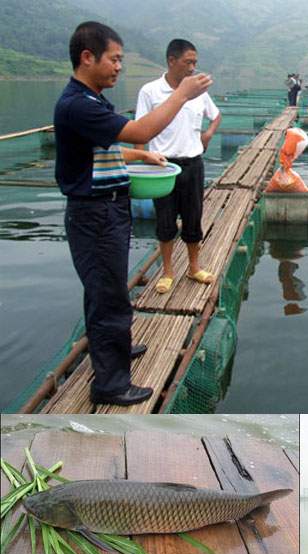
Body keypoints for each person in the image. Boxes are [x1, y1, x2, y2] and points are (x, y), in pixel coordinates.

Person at [54, 22, 213, 406]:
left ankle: (114, 350)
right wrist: (182, 94)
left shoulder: (91, 101)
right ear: (87, 57)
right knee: (107, 295)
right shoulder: (78, 104)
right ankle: (110, 384)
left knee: (110, 293)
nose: (119, 67)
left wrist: (141, 154)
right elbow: (143, 127)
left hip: (106, 212)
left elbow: (105, 150)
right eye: (114, 59)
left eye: (121, 59)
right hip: (94, 215)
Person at [135, 40, 222, 295]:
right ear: (171, 61)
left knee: (194, 217)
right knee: (165, 220)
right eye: (188, 62)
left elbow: (216, 115)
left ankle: (194, 267)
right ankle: (168, 272)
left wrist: (207, 135)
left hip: (193, 163)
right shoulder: (150, 91)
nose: (193, 67)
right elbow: (140, 130)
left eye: (195, 62)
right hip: (163, 166)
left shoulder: (198, 92)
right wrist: (142, 163)